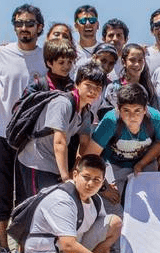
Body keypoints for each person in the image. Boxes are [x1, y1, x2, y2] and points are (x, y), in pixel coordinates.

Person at [4, 154, 124, 253]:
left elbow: (105, 233)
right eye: (86, 177)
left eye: (96, 180)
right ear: (75, 175)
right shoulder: (63, 200)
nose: (90, 184)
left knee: (115, 223)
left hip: (67, 246)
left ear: (102, 181)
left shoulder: (95, 199)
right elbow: (68, 246)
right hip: (46, 250)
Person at [0, 4, 48, 253]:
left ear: (39, 27)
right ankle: (3, 250)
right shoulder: (0, 53)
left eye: (29, 23)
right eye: (19, 23)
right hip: (1, 135)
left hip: (31, 139)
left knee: (27, 197)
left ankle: (22, 250)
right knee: (0, 194)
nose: (24, 28)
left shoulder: (45, 57)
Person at [17, 63, 105, 197]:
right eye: (88, 85)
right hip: (36, 162)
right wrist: (65, 177)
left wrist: (75, 170)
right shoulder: (63, 104)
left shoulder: (85, 111)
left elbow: (84, 143)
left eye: (98, 88)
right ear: (77, 84)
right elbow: (59, 142)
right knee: (38, 204)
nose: (93, 91)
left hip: (55, 165)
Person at [87, 84, 160, 214]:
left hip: (145, 162)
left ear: (145, 110)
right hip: (114, 163)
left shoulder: (155, 118)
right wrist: (103, 187)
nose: (132, 117)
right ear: (118, 109)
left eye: (137, 111)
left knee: (153, 202)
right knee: (113, 207)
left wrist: (142, 163)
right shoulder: (110, 121)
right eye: (126, 111)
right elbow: (90, 157)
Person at [102, 43, 159, 113]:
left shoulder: (149, 89)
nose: (137, 64)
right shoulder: (113, 88)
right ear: (124, 62)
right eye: (132, 60)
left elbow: (156, 114)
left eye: (140, 60)